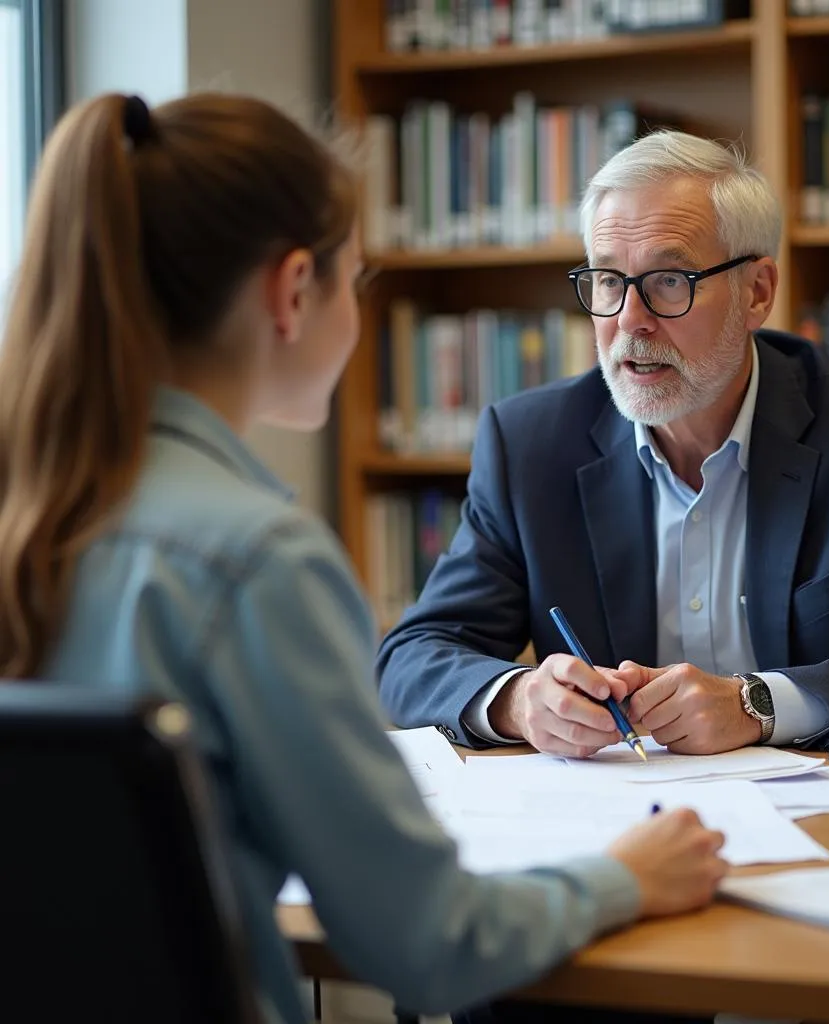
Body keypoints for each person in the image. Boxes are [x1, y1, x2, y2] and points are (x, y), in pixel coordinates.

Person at [0, 94, 728, 1024]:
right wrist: (626, 878)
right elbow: (433, 946)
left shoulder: (36, 510)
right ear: (293, 289)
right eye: (358, 276)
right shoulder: (258, 562)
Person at [377, 129, 829, 763]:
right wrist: (518, 700)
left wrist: (758, 704)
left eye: (668, 280)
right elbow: (414, 656)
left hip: (819, 820)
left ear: (757, 293)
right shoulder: (529, 446)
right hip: (619, 819)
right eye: (608, 281)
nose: (630, 319)